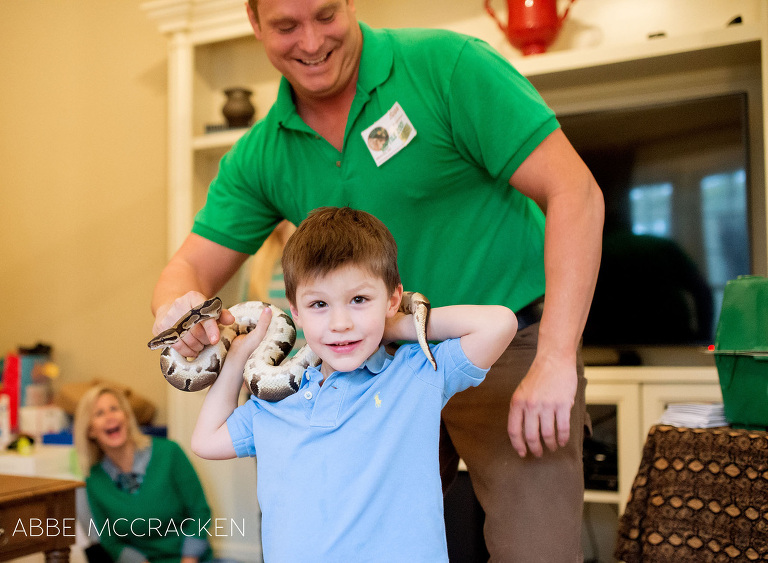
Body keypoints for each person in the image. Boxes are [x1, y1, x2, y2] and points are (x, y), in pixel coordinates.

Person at [151, 0, 605, 559]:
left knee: (537, 550)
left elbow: (576, 193)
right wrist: (178, 312)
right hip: (366, 364)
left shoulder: (447, 66)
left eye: (324, 16)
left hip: (505, 347)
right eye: (287, 26)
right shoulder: (261, 154)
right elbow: (188, 268)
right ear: (255, 25)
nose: (312, 42)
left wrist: (556, 358)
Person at [190, 206, 518, 561]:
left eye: (359, 300)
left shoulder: (416, 374)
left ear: (393, 299)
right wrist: (238, 356)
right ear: (295, 312)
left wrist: (395, 325)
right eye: (319, 304)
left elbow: (499, 324)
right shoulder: (278, 400)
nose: (341, 323)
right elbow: (206, 440)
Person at [74, 384, 213, 563]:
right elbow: (109, 539)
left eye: (114, 409)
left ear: (126, 416)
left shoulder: (170, 453)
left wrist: (189, 559)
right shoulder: (94, 479)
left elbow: (200, 512)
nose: (109, 417)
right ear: (90, 430)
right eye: (99, 413)